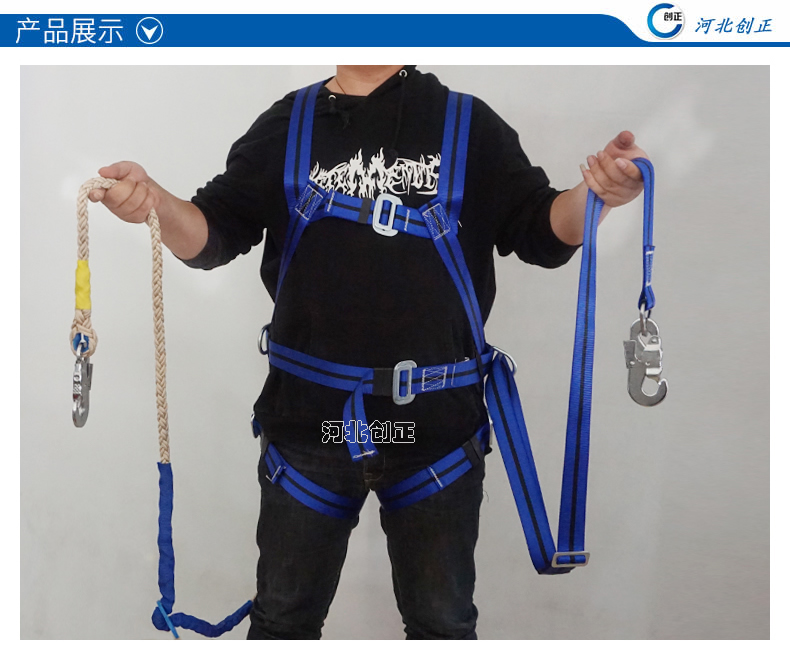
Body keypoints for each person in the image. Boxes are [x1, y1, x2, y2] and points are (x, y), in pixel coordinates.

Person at [90, 65, 648, 640]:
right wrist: (155, 204)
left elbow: (542, 230)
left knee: (442, 625)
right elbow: (213, 233)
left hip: (435, 434)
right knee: (282, 622)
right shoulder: (287, 126)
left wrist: (597, 194)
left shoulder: (467, 124)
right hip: (310, 429)